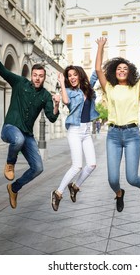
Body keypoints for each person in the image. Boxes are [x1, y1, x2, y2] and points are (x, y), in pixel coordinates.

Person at [0, 39, 60, 209]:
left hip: (27, 134)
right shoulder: (20, 82)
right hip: (10, 128)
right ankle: (10, 163)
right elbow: (1, 69)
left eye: (41, 76)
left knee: (38, 168)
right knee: (17, 139)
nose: (37, 78)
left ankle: (14, 188)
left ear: (44, 77)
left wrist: (55, 104)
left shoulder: (46, 96)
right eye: (35, 75)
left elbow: (52, 117)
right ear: (31, 75)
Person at [95, 36, 140, 212]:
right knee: (112, 179)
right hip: (113, 135)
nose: (121, 70)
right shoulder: (109, 88)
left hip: (132, 134)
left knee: (132, 177)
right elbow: (97, 69)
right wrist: (101, 46)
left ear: (129, 72)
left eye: (125, 68)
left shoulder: (136, 88)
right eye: (119, 68)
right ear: (114, 71)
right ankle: (119, 193)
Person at [51, 66, 99, 211]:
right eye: (69, 75)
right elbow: (65, 101)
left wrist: (101, 48)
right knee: (77, 166)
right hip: (75, 131)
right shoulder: (69, 91)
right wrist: (61, 82)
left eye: (74, 75)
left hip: (86, 131)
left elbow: (96, 72)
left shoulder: (87, 88)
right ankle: (58, 193)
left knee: (91, 165)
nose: (72, 77)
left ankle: (75, 186)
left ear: (80, 76)